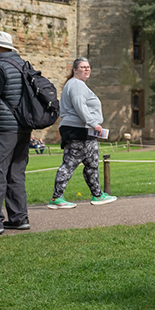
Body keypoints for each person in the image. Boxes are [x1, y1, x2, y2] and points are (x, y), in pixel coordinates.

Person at [48, 57, 118, 209]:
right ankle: (56, 198)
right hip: (78, 130)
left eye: (88, 67)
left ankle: (98, 195)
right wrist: (94, 123)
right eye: (82, 67)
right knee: (69, 164)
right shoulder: (76, 85)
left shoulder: (77, 84)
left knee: (92, 163)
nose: (87, 69)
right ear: (75, 70)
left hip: (83, 131)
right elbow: (80, 105)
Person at [0, 31, 34, 234]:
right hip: (24, 127)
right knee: (16, 173)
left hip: (2, 128)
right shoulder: (24, 65)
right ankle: (19, 218)